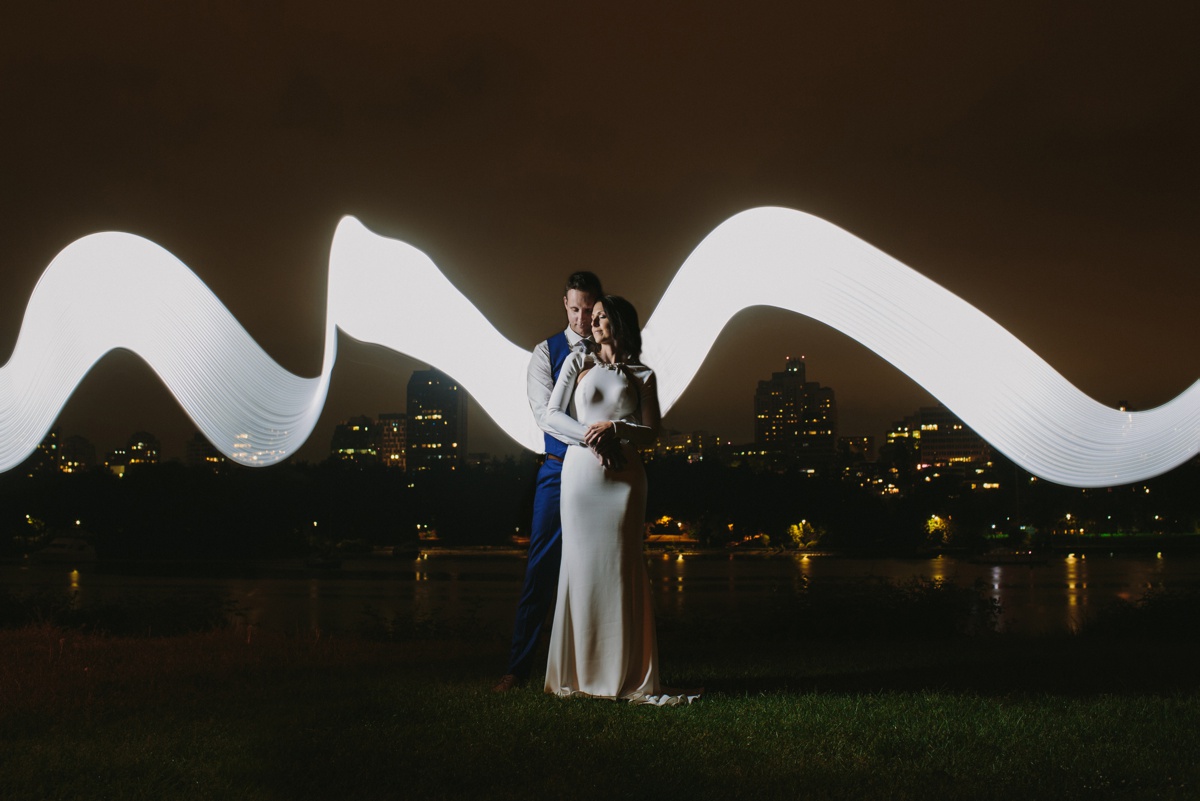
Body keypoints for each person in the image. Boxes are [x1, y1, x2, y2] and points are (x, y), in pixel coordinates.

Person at [543, 295, 697, 705]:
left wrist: (616, 427)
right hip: (582, 476)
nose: (594, 323)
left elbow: (651, 433)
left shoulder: (643, 374)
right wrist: (592, 439)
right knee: (580, 566)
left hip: (624, 480)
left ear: (620, 322)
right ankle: (580, 673)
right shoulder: (578, 363)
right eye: (591, 317)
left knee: (620, 567)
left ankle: (625, 673)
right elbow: (550, 416)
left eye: (602, 316)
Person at [493, 271, 604, 692]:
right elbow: (545, 416)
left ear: (599, 305)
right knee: (540, 569)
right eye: (574, 308)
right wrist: (595, 438)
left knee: (601, 567)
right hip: (558, 468)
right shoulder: (545, 352)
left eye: (588, 308)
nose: (581, 317)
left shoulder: (612, 350)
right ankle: (517, 670)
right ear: (564, 304)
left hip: (603, 471)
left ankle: (594, 667)